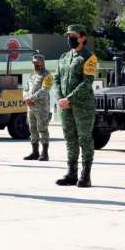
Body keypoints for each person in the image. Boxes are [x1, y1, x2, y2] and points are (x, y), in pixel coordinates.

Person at [54, 24, 99, 188]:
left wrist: (69, 98)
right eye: (68, 36)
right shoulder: (64, 57)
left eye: (72, 36)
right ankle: (71, 173)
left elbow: (87, 83)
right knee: (70, 139)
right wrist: (60, 98)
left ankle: (85, 175)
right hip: (65, 106)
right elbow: (57, 79)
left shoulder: (89, 57)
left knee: (84, 139)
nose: (69, 38)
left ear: (82, 38)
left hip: (82, 106)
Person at [22, 53, 53, 161]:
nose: (35, 64)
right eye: (33, 62)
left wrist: (31, 98)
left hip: (41, 108)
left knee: (42, 129)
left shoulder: (47, 75)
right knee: (32, 129)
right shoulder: (33, 75)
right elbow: (25, 88)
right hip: (30, 107)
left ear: (42, 62)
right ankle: (35, 152)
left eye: (37, 62)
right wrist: (26, 98)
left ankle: (44, 153)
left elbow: (45, 90)